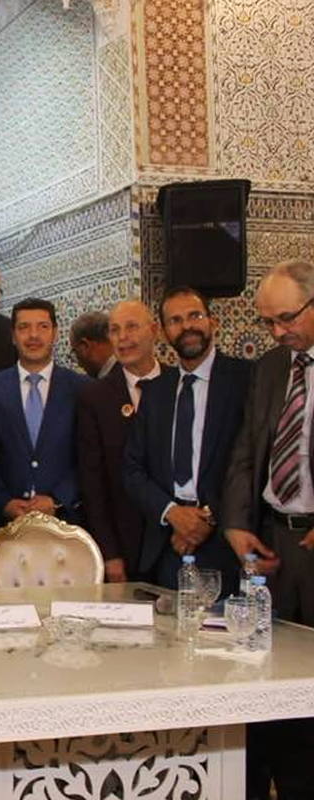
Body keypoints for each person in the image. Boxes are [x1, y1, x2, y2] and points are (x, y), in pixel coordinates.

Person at [222, 260, 314, 800]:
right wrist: (236, 523)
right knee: (274, 683)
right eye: (269, 322)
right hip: (276, 543)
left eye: (287, 319)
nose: (278, 332)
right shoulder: (271, 368)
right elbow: (246, 448)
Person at [123, 285, 248, 590]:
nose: (187, 326)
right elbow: (132, 468)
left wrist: (207, 518)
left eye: (195, 316)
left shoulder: (245, 380)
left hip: (227, 544)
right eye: (176, 320)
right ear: (164, 332)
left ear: (213, 322)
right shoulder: (155, 392)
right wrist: (173, 513)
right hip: (166, 544)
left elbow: (252, 461)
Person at [76, 301, 161, 583]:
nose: (123, 337)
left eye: (132, 327)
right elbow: (93, 482)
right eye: (114, 330)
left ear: (154, 331)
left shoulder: (178, 384)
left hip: (176, 540)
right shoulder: (95, 397)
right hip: (125, 544)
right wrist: (109, 552)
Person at [0, 298, 89, 524]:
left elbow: (89, 456)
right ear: (13, 336)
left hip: (66, 522)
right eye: (24, 327)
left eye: (42, 327)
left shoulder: (82, 389)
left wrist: (58, 499)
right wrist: (4, 502)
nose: (33, 335)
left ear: (55, 333)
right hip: (6, 524)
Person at [69, 310, 117, 379]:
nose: (79, 364)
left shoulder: (108, 382)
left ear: (85, 346)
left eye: (76, 352)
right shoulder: (129, 367)